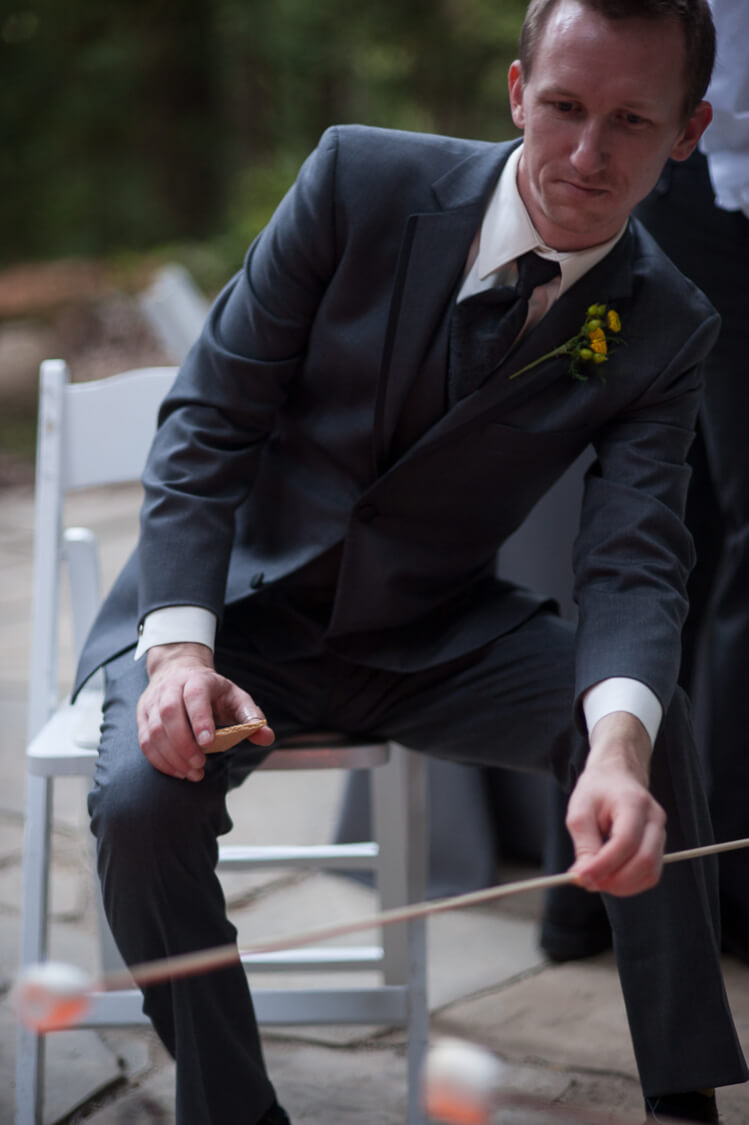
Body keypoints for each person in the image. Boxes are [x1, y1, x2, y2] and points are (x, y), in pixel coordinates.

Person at [74, 1, 747, 1121]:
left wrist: (613, 752)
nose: (585, 156)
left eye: (628, 122)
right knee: (144, 799)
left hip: (437, 636)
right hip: (237, 621)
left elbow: (632, 561)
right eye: (563, 108)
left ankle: (681, 1099)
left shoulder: (664, 323)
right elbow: (207, 426)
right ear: (514, 90)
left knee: (645, 719)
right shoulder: (356, 183)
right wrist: (179, 655)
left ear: (686, 135)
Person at [541, 0, 749, 975]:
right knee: (662, 521)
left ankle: (619, 894)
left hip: (692, 149)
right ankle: (711, 890)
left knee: (678, 523)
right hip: (703, 172)